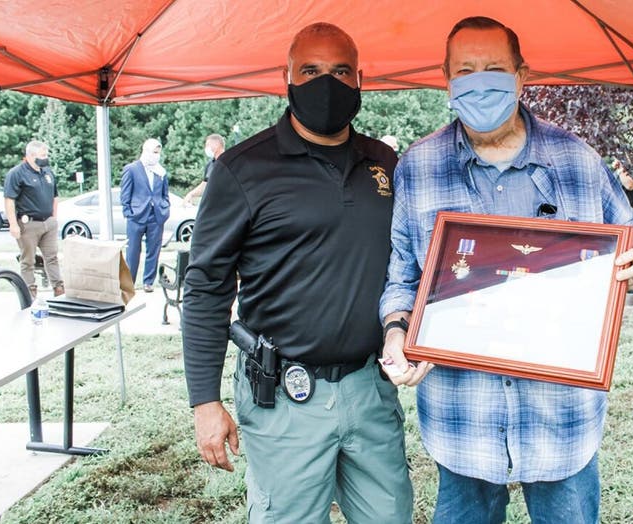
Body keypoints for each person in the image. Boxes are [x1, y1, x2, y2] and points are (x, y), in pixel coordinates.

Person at [379, 16, 633, 523]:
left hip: (561, 422)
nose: (479, 80)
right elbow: (402, 274)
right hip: (462, 419)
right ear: (446, 78)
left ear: (521, 75)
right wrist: (397, 330)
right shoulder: (417, 167)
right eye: (466, 70)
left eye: (494, 68)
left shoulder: (575, 159)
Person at [181, 22, 413, 523]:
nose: (325, 83)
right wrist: (204, 401)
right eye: (310, 70)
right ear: (283, 77)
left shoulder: (385, 163)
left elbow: (412, 262)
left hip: (369, 389)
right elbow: (205, 288)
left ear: (359, 80)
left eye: (340, 71)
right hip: (285, 397)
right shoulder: (243, 169)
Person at [4, 140, 64, 299]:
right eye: (42, 155)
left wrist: (53, 218)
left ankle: (59, 289)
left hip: (48, 223)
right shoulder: (17, 173)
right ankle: (30, 294)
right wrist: (13, 224)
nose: (45, 158)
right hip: (28, 224)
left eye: (46, 155)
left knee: (52, 257)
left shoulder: (47, 172)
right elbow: (9, 200)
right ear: (30, 156)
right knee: (28, 261)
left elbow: (55, 196)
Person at [120, 138, 170, 293]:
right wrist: (128, 212)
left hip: (156, 216)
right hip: (137, 216)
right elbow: (125, 194)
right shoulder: (132, 169)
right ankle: (130, 283)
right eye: (154, 152)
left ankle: (148, 282)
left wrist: (165, 208)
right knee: (133, 251)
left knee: (153, 250)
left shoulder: (161, 171)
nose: (156, 155)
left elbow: (164, 193)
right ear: (146, 151)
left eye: (158, 153)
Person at [183, 133, 226, 206]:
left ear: (216, 146)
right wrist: (191, 194)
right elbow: (205, 185)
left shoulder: (229, 162)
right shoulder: (210, 164)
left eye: (207, 145)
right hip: (212, 206)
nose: (206, 148)